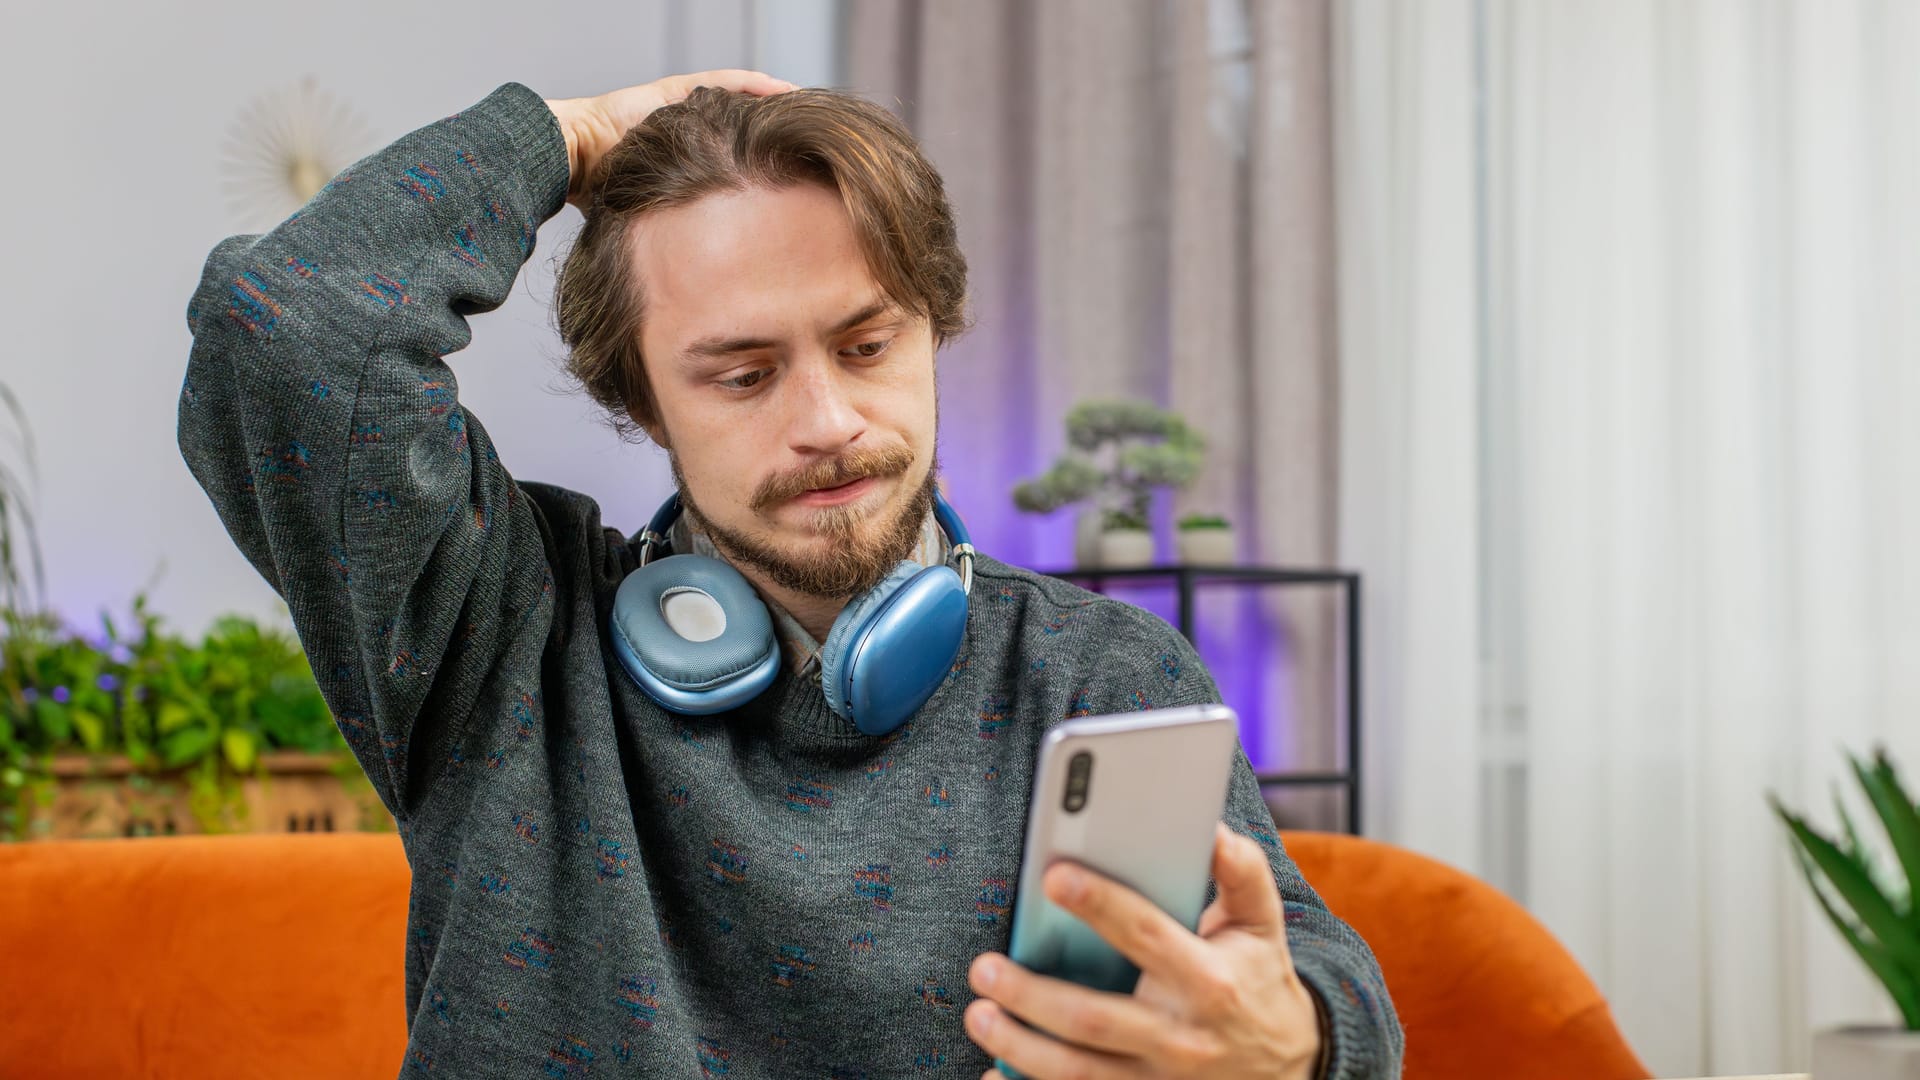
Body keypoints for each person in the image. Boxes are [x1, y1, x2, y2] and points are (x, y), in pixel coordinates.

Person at [178, 69, 1402, 1079]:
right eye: (743, 373)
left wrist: (1298, 1040)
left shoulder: (1098, 671)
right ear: (642, 401)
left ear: (934, 328)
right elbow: (284, 327)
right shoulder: (497, 633)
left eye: (868, 345)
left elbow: (1316, 979)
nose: (829, 420)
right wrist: (571, 137)